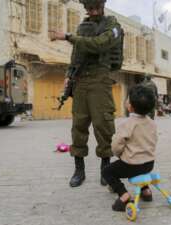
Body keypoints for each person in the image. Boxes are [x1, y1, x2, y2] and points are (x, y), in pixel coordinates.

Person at [50, 0, 124, 188]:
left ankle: (105, 169)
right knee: (79, 125)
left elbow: (100, 44)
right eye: (90, 8)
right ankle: (79, 169)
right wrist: (68, 76)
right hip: (81, 80)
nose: (94, 11)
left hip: (100, 78)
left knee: (103, 124)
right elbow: (76, 56)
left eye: (96, 7)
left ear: (102, 6)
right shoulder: (83, 27)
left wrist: (68, 36)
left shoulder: (113, 26)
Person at [102, 85, 157, 211]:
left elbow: (116, 145)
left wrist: (119, 154)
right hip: (149, 163)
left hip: (131, 164)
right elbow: (153, 142)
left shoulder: (127, 124)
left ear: (130, 106)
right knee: (140, 168)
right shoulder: (152, 123)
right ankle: (146, 191)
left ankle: (124, 195)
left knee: (107, 172)